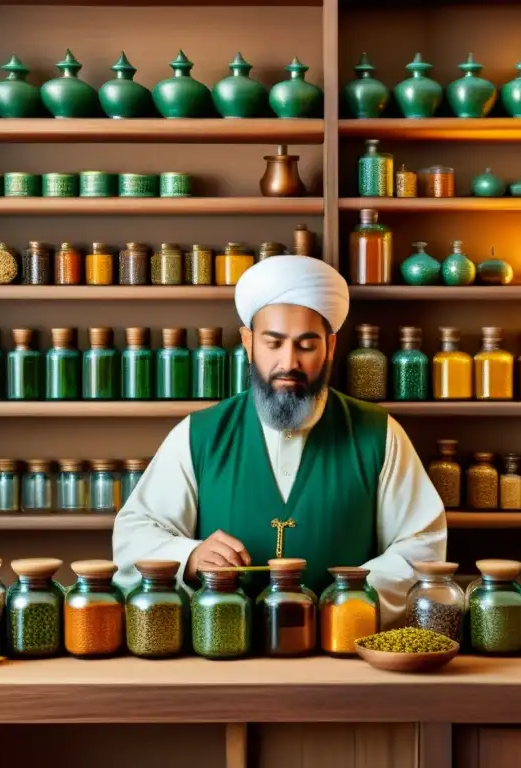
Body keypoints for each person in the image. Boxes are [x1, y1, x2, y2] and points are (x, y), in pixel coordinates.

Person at [112, 255, 446, 623]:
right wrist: (188, 557)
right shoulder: (199, 434)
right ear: (248, 342)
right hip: (223, 646)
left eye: (306, 345)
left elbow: (422, 547)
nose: (289, 362)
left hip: (345, 650)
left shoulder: (379, 434)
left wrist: (348, 601)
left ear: (330, 348)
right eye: (273, 343)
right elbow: (135, 533)